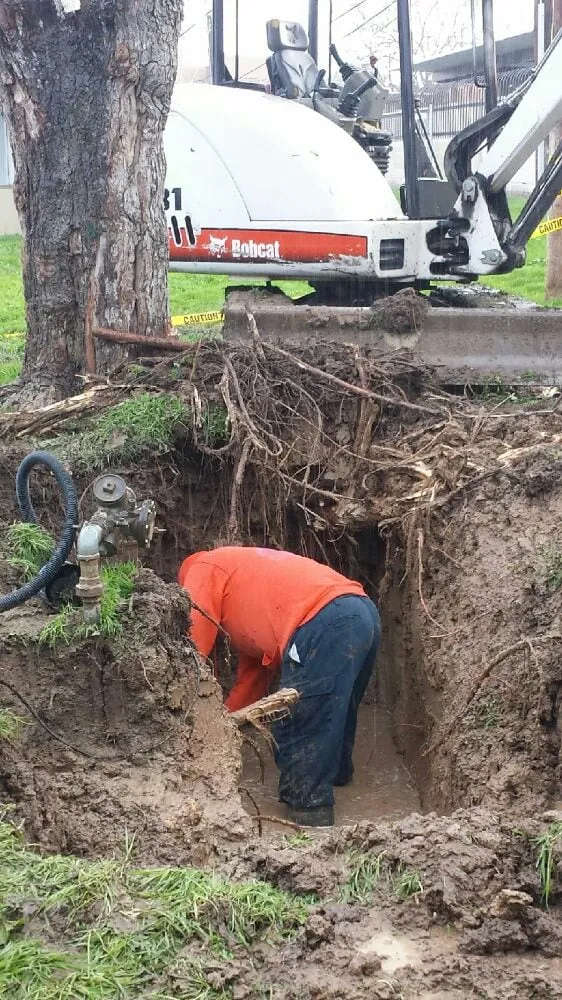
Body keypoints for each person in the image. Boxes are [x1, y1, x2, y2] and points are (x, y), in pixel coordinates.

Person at [178, 546, 381, 827]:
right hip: (362, 611)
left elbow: (191, 656)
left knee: (299, 720)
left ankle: (310, 814)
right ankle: (336, 775)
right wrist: (221, 731)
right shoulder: (247, 595)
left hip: (324, 619)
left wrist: (184, 728)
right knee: (335, 708)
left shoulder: (203, 568)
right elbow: (251, 683)